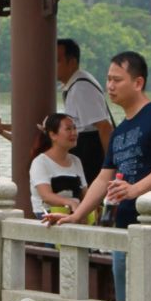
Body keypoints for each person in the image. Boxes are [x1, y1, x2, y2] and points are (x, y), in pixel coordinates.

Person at [52, 51, 151, 301]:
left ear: (138, 82)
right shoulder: (119, 131)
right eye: (108, 79)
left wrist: (135, 190)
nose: (110, 86)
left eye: (117, 80)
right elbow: (103, 179)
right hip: (123, 229)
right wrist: (77, 215)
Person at [56, 38, 113, 188]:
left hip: (90, 154)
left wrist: (110, 167)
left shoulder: (81, 88)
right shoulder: (76, 85)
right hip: (84, 151)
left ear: (72, 62)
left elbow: (104, 127)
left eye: (57, 61)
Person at [28, 113, 87, 220]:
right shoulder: (40, 162)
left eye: (74, 128)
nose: (74, 133)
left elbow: (85, 193)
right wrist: (70, 203)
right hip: (48, 216)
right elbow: (46, 196)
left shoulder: (76, 160)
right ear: (53, 135)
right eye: (68, 129)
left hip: (74, 214)